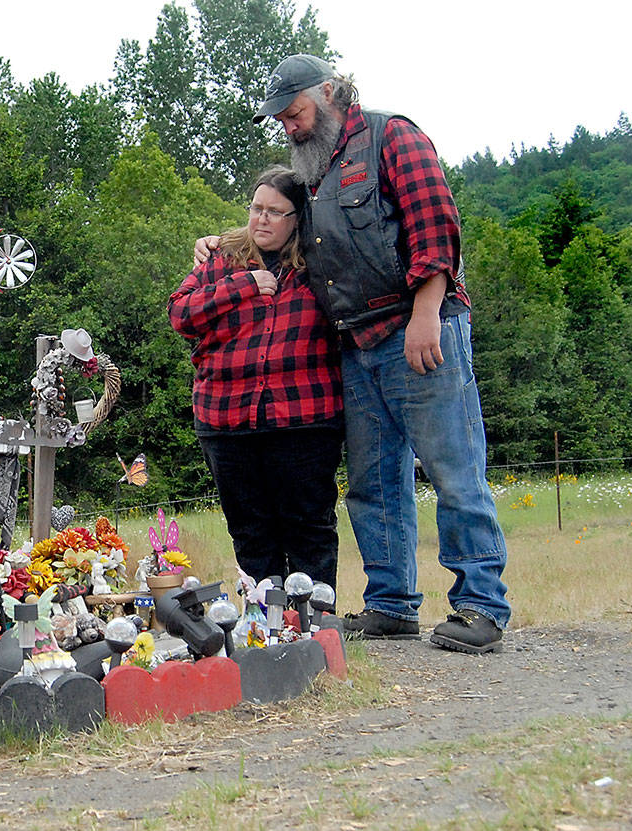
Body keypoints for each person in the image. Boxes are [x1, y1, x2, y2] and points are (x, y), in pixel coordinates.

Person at [196, 54, 510, 653]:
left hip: (420, 328)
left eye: (297, 113)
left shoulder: (395, 136)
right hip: (355, 342)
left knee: (453, 469)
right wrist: (220, 243)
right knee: (373, 481)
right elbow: (278, 233)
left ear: (334, 92)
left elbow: (436, 225)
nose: (290, 126)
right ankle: (391, 603)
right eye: (282, 120)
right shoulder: (313, 170)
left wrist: (425, 316)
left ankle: (480, 605)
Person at [170, 166, 342, 591]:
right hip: (226, 418)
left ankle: (314, 628)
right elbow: (180, 314)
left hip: (303, 417)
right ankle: (265, 626)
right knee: (249, 530)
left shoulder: (321, 264)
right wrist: (243, 285)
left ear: (298, 219)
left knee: (309, 528)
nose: (261, 219)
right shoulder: (221, 259)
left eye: (275, 212)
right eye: (256, 209)